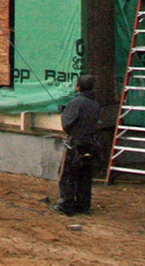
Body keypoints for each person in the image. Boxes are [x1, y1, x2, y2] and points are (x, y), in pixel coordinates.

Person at [56, 74, 101, 215]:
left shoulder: (76, 102)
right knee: (85, 176)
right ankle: (83, 206)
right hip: (91, 144)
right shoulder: (95, 103)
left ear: (78, 87)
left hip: (76, 144)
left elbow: (66, 125)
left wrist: (65, 113)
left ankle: (66, 206)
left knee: (67, 176)